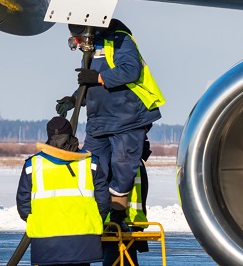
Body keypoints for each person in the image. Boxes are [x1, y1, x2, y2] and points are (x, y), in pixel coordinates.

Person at [56, 18, 164, 230]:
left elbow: (130, 70)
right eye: (75, 41)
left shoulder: (119, 40)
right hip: (99, 122)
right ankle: (97, 215)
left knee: (123, 167)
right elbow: (90, 83)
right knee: (92, 167)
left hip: (127, 118)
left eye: (78, 39)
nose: (78, 44)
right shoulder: (89, 51)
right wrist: (74, 99)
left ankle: (117, 215)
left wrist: (98, 78)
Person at [16, 116, 109, 266]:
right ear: (72, 135)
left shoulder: (33, 165)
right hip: (81, 238)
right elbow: (103, 200)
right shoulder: (90, 163)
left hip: (46, 239)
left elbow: (23, 203)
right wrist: (94, 220)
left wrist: (37, 220)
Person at [86, 130, 153, 266]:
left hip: (130, 229)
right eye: (143, 138)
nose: (146, 142)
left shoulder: (134, 161)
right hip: (115, 228)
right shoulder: (120, 160)